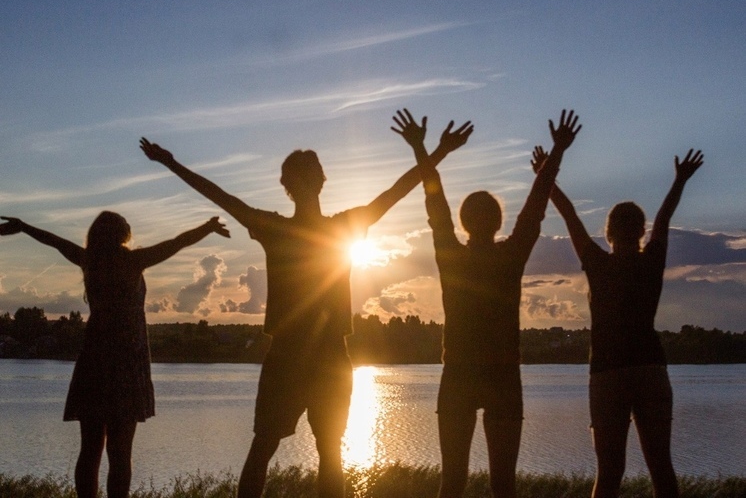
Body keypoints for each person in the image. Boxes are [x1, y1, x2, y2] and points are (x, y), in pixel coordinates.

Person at [139, 114, 473, 498]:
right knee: (316, 452)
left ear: (288, 187)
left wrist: (171, 162)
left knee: (276, 449)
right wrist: (438, 152)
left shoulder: (283, 228)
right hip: (320, 355)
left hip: (300, 355)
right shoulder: (335, 228)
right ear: (321, 181)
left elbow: (222, 196)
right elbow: (394, 193)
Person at [392, 108, 581, 498]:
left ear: (464, 224)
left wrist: (421, 148)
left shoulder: (451, 255)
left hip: (459, 373)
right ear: (497, 223)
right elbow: (535, 207)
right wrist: (556, 154)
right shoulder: (509, 257)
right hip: (503, 376)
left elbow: (436, 205)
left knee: (453, 483)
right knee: (504, 486)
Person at [0, 212, 229, 498]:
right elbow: (177, 243)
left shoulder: (89, 260)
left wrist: (23, 227)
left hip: (94, 359)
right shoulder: (132, 261)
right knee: (120, 452)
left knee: (90, 448)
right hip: (127, 362)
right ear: (124, 233)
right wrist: (207, 228)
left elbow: (54, 241)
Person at [530, 146, 703, 498]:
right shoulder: (651, 260)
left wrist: (545, 175)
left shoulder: (597, 263)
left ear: (608, 231)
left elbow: (569, 216)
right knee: (661, 467)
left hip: (607, 374)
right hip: (650, 369)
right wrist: (679, 180)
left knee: (609, 472)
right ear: (640, 231)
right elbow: (665, 218)